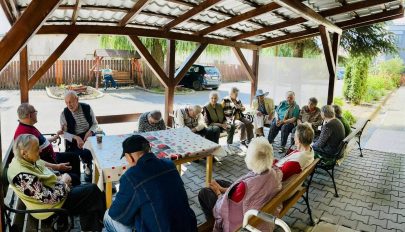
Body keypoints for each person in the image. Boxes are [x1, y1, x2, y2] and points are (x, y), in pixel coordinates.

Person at [8, 134, 105, 231]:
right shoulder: (22, 177)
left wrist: (59, 178)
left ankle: (91, 226)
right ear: (24, 153)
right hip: (49, 208)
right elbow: (50, 199)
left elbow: (41, 171)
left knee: (88, 189)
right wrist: (64, 182)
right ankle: (100, 223)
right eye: (37, 149)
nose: (40, 150)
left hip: (52, 194)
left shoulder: (22, 159)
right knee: (92, 191)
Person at [103, 135, 197, 232]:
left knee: (108, 216)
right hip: (188, 227)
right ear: (149, 149)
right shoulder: (170, 164)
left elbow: (116, 214)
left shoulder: (131, 177)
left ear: (130, 157)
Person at [198, 137, 282, 232]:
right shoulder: (274, 173)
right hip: (258, 205)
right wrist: (222, 189)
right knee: (219, 182)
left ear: (251, 158)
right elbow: (241, 192)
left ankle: (213, 225)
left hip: (243, 223)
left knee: (204, 193)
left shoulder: (245, 185)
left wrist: (218, 192)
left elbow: (222, 209)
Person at [14, 103, 81, 186]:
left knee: (74, 157)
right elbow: (35, 160)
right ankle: (75, 186)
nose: (36, 114)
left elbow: (41, 142)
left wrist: (54, 138)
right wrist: (56, 166)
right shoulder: (23, 133)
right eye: (35, 112)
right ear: (30, 116)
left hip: (51, 156)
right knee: (73, 163)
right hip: (48, 162)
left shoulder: (28, 126)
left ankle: (76, 184)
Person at [60, 91, 96, 182]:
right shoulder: (64, 114)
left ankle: (89, 166)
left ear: (77, 100)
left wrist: (90, 131)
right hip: (73, 138)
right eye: (66, 102)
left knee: (93, 150)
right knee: (76, 154)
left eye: (71, 102)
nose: (69, 105)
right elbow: (63, 134)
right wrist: (76, 138)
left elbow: (95, 124)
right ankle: (79, 175)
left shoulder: (87, 108)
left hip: (88, 135)